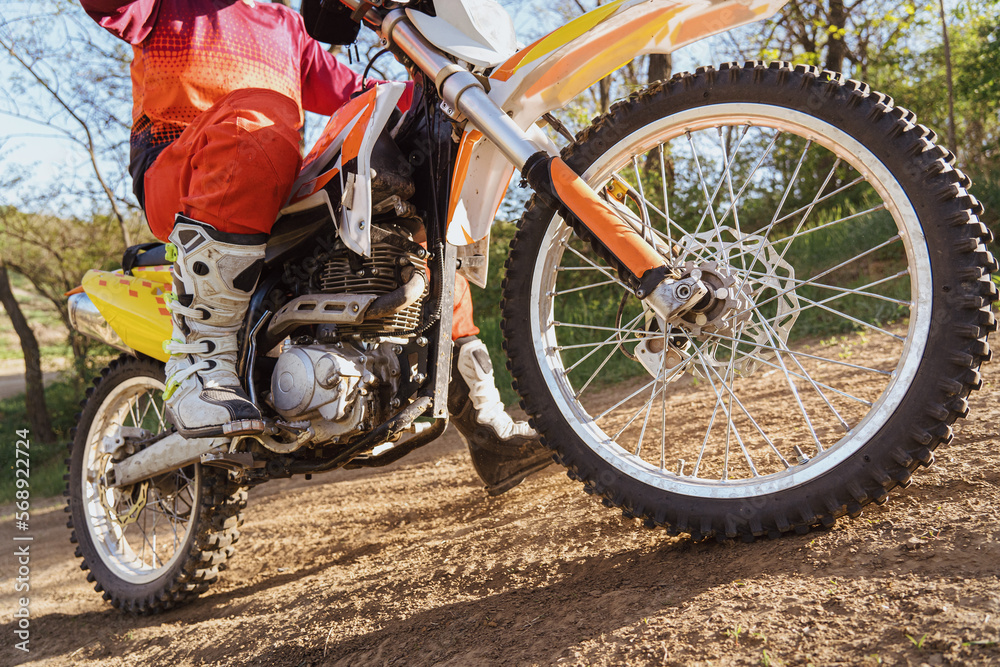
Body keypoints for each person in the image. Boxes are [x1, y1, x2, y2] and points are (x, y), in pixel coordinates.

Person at [80, 0, 550, 494]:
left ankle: (485, 425)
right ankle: (201, 364)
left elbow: (354, 91)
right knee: (263, 117)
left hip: (268, 168)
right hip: (181, 165)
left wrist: (445, 88)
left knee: (416, 184)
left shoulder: (284, 24)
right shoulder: (164, 6)